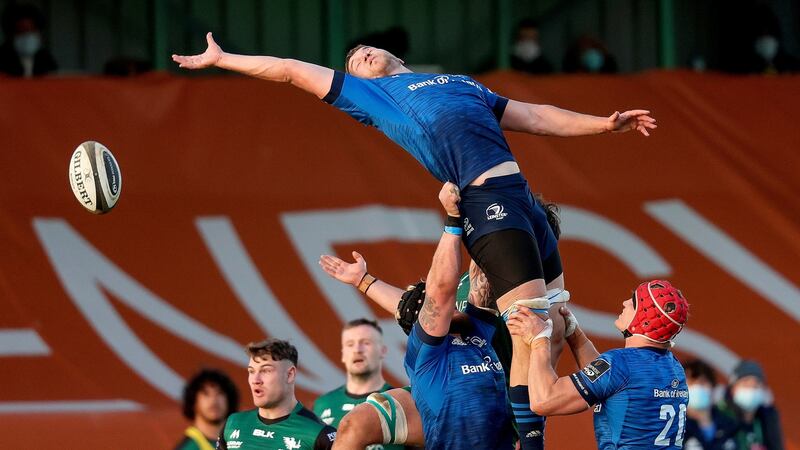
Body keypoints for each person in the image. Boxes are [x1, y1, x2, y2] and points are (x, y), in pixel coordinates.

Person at [173, 34, 654, 449]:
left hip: (525, 202)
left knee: (549, 331)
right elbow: (289, 71)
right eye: (351, 59)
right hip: (489, 206)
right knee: (533, 333)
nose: (358, 54)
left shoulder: (461, 82)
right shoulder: (370, 96)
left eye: (363, 49)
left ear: (391, 53)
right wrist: (223, 59)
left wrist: (604, 124)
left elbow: (535, 115)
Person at [506, 280, 691, 449]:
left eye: (633, 301)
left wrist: (539, 340)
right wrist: (575, 335)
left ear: (644, 318)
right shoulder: (674, 367)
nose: (625, 303)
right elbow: (609, 382)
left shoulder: (621, 364)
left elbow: (543, 401)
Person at [217, 339, 336, 450]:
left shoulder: (319, 434)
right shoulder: (233, 423)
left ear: (290, 375)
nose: (255, 379)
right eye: (251, 371)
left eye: (266, 370)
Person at [312, 318, 404, 450]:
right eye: (350, 344)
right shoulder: (322, 404)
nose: (357, 350)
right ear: (343, 354)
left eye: (366, 343)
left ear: (382, 351)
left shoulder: (400, 402)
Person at [717, 360, 784, 450]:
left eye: (756, 385)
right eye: (745, 383)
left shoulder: (767, 421)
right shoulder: (719, 417)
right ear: (733, 389)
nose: (751, 389)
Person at [175, 369, 240, 450]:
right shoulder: (189, 447)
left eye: (219, 393)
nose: (213, 400)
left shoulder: (241, 443)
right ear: (193, 401)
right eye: (206, 394)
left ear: (229, 400)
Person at [682, 359, 738, 450]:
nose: (697, 387)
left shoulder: (730, 425)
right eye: (692, 382)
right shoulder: (673, 427)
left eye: (702, 382)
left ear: (713, 388)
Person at [0, 2, 57, 77]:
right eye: (21, 31)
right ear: (11, 35)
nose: (27, 36)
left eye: (31, 31)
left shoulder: (46, 59)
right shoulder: (2, 59)